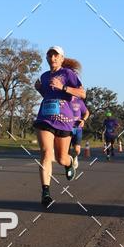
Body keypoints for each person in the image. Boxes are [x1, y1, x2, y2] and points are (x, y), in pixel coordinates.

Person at [34, 46, 86, 207]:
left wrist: (62, 87)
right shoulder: (44, 76)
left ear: (62, 58)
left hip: (64, 120)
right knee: (46, 153)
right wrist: (39, 90)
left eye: (56, 55)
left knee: (61, 158)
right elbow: (49, 95)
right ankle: (46, 192)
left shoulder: (68, 74)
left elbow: (82, 94)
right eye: (49, 55)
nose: (52, 58)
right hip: (45, 118)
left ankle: (69, 162)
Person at [70, 94, 90, 169]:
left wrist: (83, 120)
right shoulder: (63, 100)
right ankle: (69, 163)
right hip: (66, 128)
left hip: (77, 128)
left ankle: (75, 158)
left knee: (77, 149)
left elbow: (87, 112)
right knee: (65, 150)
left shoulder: (79, 101)